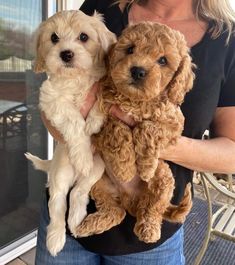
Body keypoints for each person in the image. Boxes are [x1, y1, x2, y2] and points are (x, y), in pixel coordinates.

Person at [35, 0, 235, 264]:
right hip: (68, 216)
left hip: (151, 240)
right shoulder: (101, 7)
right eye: (128, 50)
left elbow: (231, 152)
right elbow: (55, 91)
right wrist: (83, 134)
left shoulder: (227, 41)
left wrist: (155, 142)